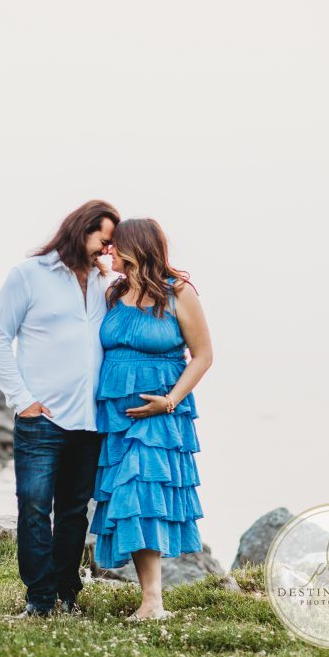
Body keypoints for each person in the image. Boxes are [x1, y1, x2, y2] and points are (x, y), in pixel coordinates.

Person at [0, 199, 122, 618]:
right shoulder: (29, 275)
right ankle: (40, 599)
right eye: (104, 239)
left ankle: (67, 594)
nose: (108, 249)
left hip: (90, 420)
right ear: (81, 230)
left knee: (74, 514)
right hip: (41, 419)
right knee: (33, 508)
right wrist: (22, 400)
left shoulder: (107, 283)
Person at [88, 217, 212, 622]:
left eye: (115, 245)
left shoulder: (179, 293)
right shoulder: (113, 292)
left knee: (142, 494)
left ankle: (153, 601)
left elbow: (204, 356)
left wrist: (171, 401)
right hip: (115, 417)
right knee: (128, 500)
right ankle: (149, 598)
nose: (108, 250)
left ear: (134, 247)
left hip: (159, 413)